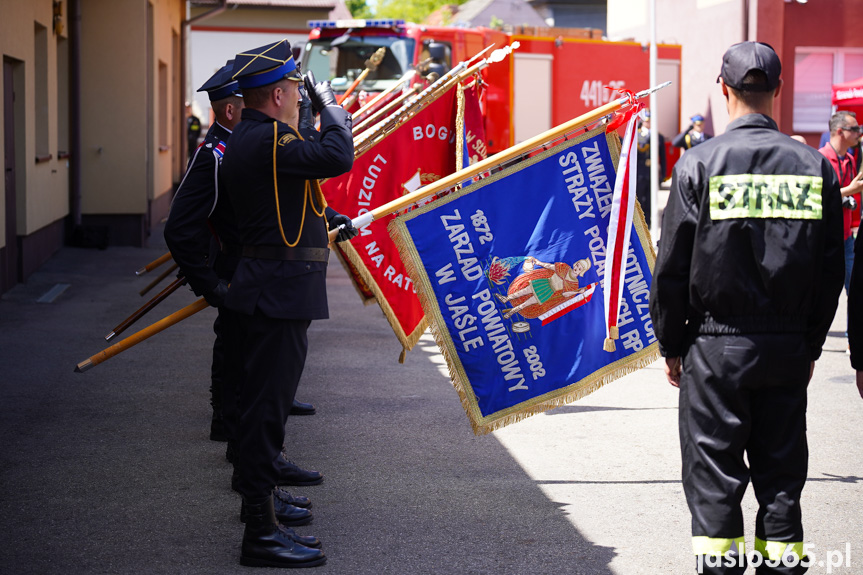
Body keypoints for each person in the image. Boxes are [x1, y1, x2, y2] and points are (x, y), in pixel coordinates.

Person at [650, 41, 844, 574]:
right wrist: (808, 341)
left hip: (714, 345)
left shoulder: (698, 164)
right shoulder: (813, 166)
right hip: (785, 345)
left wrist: (672, 343)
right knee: (782, 472)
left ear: (723, 90)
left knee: (715, 473)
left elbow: (671, 268)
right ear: (778, 91)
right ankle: (782, 566)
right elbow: (831, 270)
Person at [221, 39, 357, 568]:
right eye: (298, 93)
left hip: (276, 286)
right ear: (277, 94)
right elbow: (336, 155)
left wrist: (325, 226)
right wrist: (334, 108)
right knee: (265, 417)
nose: (303, 101)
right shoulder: (266, 137)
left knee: (265, 412)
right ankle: (260, 532)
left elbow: (291, 200)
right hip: (275, 290)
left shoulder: (261, 136)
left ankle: (265, 511)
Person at [818, 111, 863, 308]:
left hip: (846, 237)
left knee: (854, 288)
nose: (858, 133)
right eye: (854, 129)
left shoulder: (851, 160)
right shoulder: (820, 159)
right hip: (825, 237)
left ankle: (852, 336)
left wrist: (848, 198)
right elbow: (818, 197)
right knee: (824, 291)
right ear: (840, 132)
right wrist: (847, 192)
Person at [635, 109, 666, 228]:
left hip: (652, 173)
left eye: (649, 121)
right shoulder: (637, 135)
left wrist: (663, 174)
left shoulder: (658, 136)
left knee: (650, 200)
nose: (647, 123)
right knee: (639, 199)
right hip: (640, 173)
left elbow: (662, 157)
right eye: (645, 121)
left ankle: (649, 223)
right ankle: (639, 223)